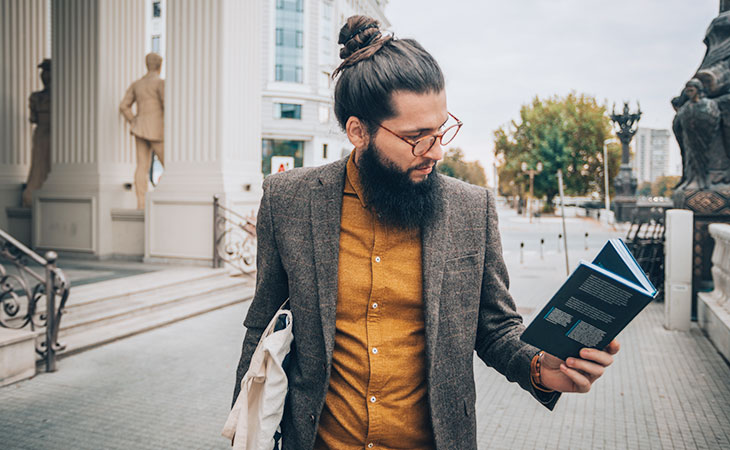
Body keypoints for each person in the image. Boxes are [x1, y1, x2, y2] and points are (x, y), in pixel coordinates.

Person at [233, 15, 619, 450]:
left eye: (441, 131)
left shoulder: (471, 209)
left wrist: (539, 367)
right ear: (358, 132)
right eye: (417, 137)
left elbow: (495, 328)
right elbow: (261, 328)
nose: (436, 151)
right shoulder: (289, 200)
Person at [119, 52, 165, 210]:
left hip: (140, 127)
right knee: (168, 163)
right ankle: (163, 197)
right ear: (159, 65)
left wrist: (134, 121)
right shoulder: (159, 83)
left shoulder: (137, 84)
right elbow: (166, 105)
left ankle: (141, 203)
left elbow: (124, 106)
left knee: (141, 166)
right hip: (157, 128)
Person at [22, 59, 52, 208]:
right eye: (44, 72)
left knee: (46, 162)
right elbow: (33, 118)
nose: (45, 76)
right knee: (39, 163)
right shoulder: (36, 97)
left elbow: (33, 117)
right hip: (42, 133)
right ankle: (31, 195)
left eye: (48, 72)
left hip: (52, 133)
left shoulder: (55, 97)